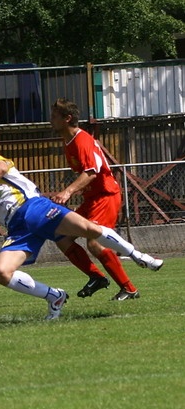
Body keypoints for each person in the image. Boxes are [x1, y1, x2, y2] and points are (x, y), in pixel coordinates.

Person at [0, 148, 162, 320]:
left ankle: (139, 256)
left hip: (35, 208)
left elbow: (1, 167)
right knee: (1, 273)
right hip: (19, 229)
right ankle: (55, 297)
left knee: (91, 229)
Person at [49, 98, 139, 301]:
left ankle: (129, 289)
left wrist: (67, 192)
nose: (50, 120)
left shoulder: (81, 140)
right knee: (60, 235)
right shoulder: (69, 141)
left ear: (67, 118)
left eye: (54, 116)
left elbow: (91, 172)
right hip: (91, 198)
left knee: (95, 243)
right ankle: (96, 277)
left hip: (105, 196)